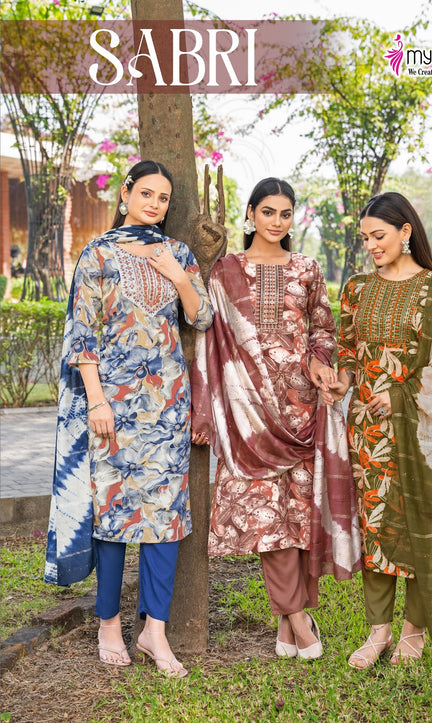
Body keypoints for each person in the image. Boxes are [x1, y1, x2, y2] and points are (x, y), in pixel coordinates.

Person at [45, 160, 214, 677]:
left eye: (163, 198)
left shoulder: (177, 253)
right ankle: (109, 623)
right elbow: (82, 335)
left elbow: (202, 317)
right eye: (146, 193)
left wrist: (178, 276)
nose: (155, 204)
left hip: (168, 405)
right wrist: (97, 400)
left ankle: (154, 631)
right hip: (114, 406)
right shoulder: (97, 254)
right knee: (114, 518)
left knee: (166, 518)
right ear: (126, 193)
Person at [192, 177, 361, 661]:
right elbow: (208, 340)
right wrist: (205, 410)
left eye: (286, 214)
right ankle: (299, 618)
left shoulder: (307, 268)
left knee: (300, 514)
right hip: (247, 413)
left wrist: (320, 364)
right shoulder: (224, 271)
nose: (277, 222)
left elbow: (323, 331)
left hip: (302, 407)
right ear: (250, 214)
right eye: (268, 212)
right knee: (265, 516)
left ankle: (289, 622)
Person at [322, 191, 432, 667]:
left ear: (405, 232)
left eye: (379, 236)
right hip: (368, 431)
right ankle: (379, 632)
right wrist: (342, 382)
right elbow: (348, 350)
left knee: (416, 524)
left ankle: (413, 631)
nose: (372, 245)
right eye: (365, 238)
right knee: (374, 526)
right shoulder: (356, 289)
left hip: (421, 432)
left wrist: (397, 396)